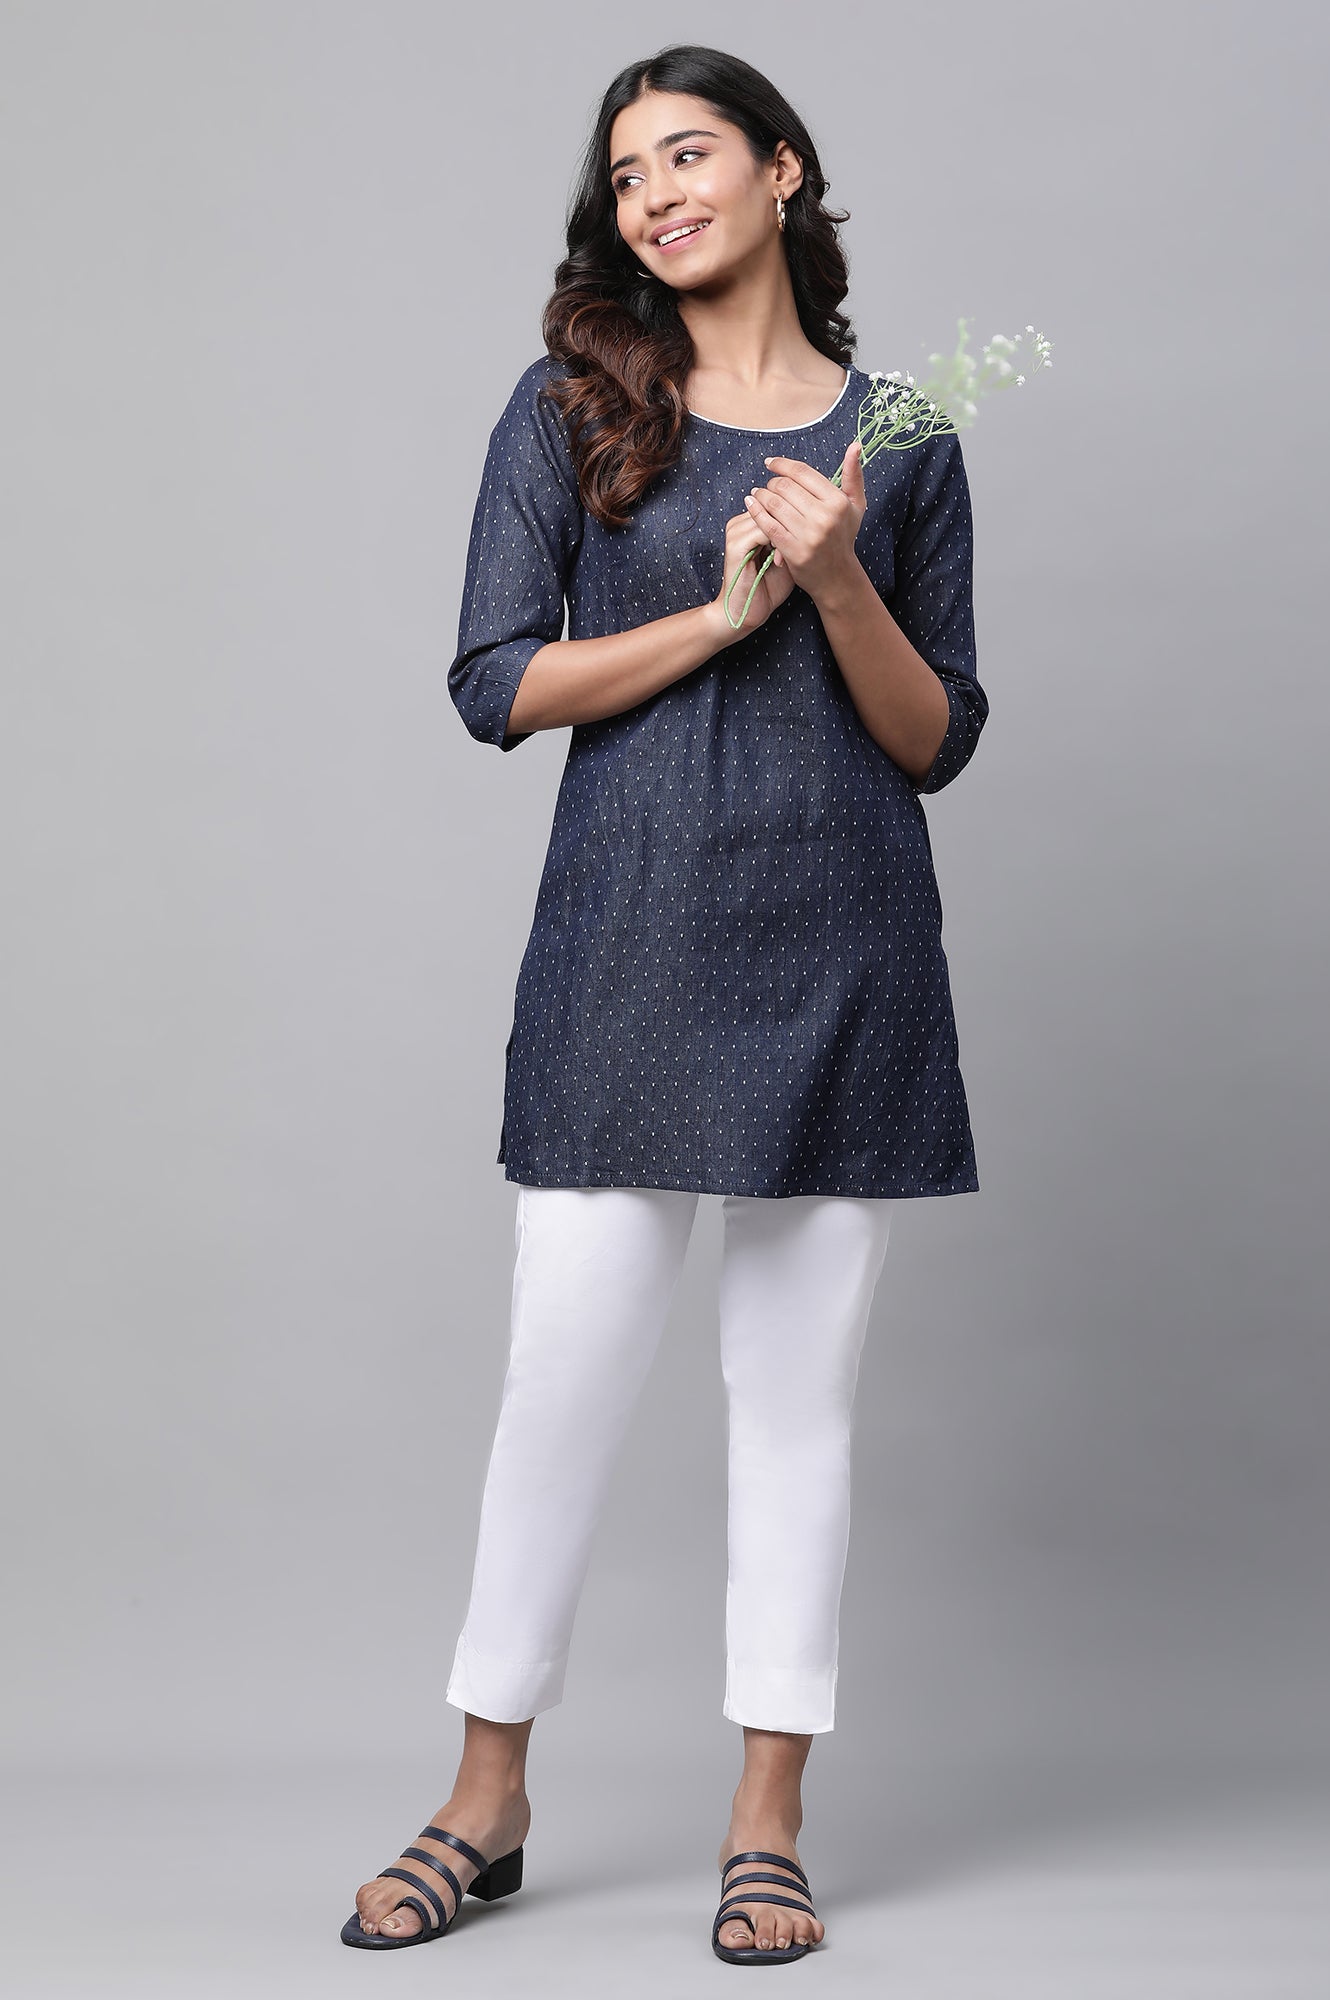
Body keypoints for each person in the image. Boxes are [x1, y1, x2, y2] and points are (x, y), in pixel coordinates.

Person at [342, 40, 988, 1966]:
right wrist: (713, 616)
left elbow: (935, 739)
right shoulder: (569, 408)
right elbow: (492, 682)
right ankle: (486, 1794)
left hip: (842, 952)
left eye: (688, 156)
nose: (654, 198)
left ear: (783, 170)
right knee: (557, 1393)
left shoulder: (905, 429)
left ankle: (765, 1819)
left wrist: (837, 578)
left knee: (796, 1412)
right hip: (626, 950)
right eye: (626, 177)